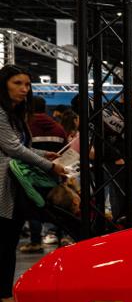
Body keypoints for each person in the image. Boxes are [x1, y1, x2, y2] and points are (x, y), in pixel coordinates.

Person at [0, 65, 69, 302]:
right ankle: (3, 297)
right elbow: (13, 148)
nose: (24, 89)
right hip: (3, 187)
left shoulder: (14, 114)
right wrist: (49, 165)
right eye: (17, 83)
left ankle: (5, 295)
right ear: (4, 85)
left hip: (12, 186)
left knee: (9, 242)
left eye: (27, 85)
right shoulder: (1, 113)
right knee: (4, 243)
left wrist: (43, 154)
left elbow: (20, 146)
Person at [24, 96, 67, 250]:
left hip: (31, 174)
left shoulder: (26, 127)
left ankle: (35, 241)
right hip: (53, 174)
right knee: (57, 206)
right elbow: (65, 151)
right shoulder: (58, 128)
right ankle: (62, 237)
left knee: (33, 206)